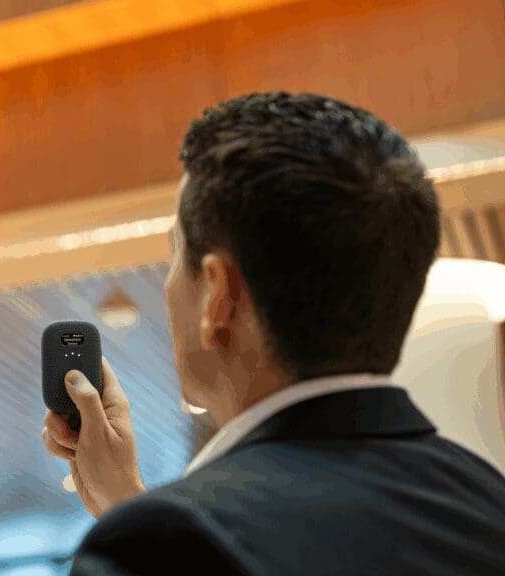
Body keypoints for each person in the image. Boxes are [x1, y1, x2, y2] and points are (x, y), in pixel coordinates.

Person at [40, 92, 505, 575]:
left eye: (176, 251)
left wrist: (139, 524)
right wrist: (129, 504)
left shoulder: (159, 547)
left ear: (217, 295)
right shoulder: (489, 506)